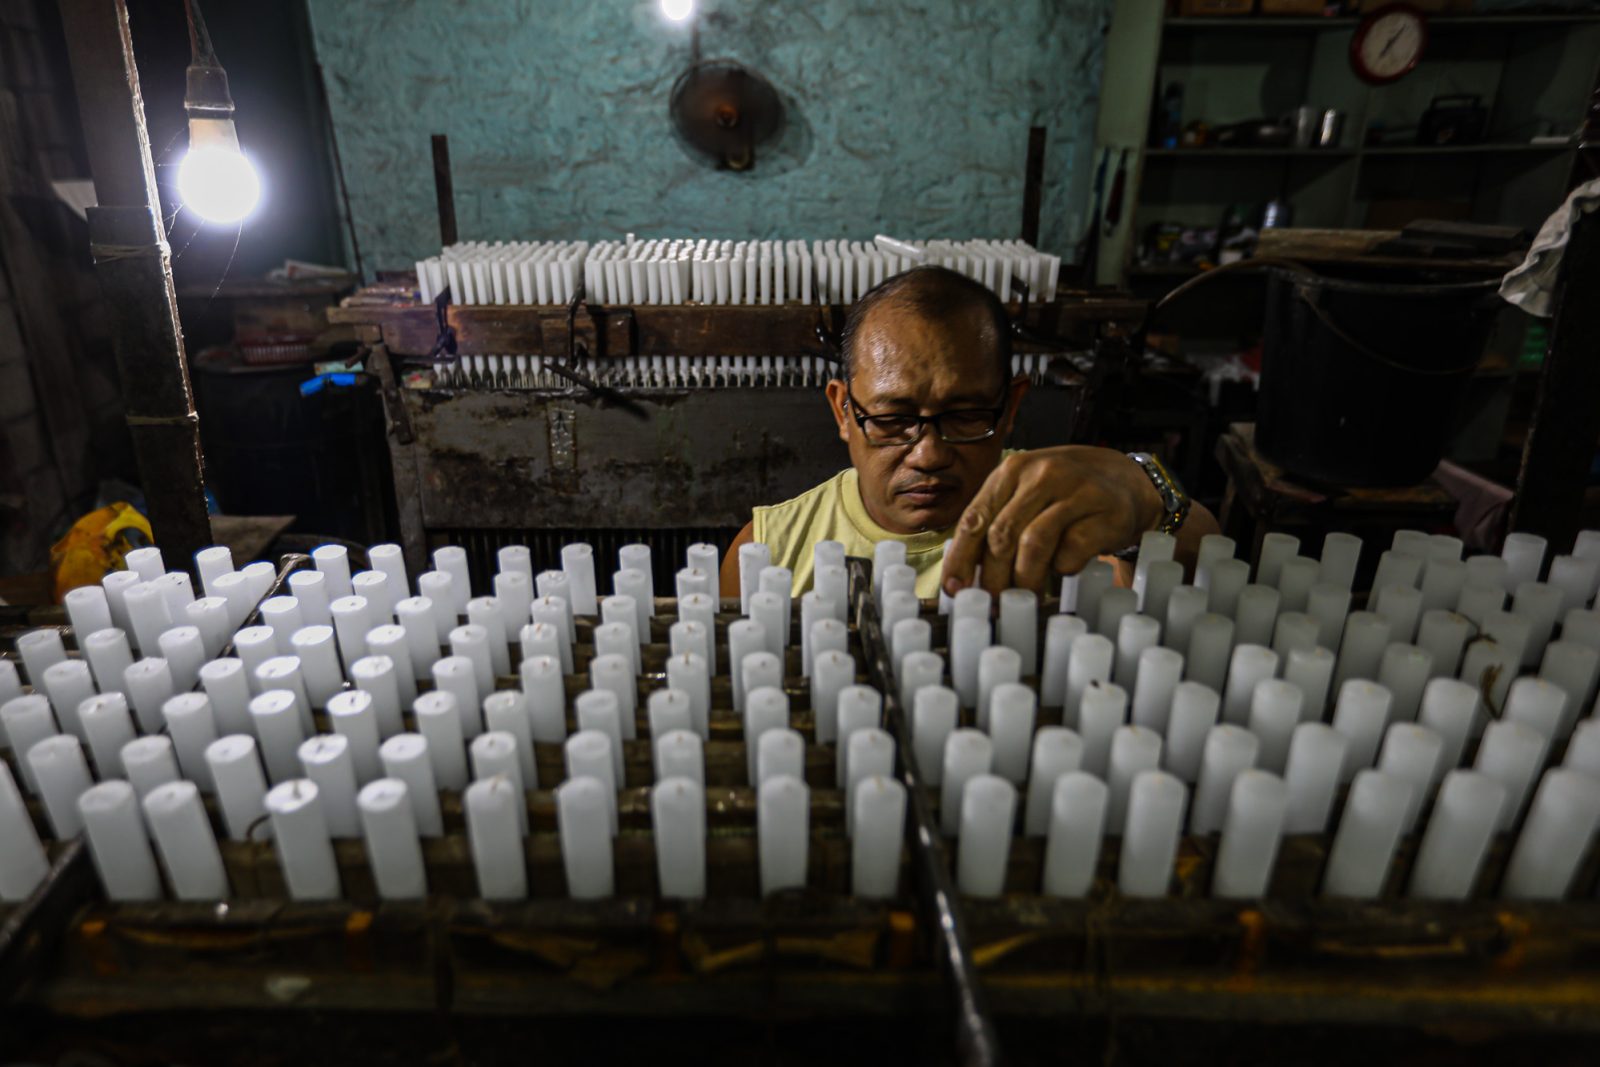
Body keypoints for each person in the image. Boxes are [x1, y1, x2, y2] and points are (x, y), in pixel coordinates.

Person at [718, 266, 1219, 599]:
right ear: (844, 411)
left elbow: (1208, 554)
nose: (930, 454)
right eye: (893, 420)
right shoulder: (767, 554)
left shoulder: (1057, 511)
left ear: (1009, 408)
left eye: (965, 416)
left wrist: (1145, 493)